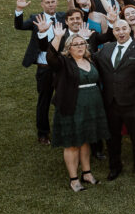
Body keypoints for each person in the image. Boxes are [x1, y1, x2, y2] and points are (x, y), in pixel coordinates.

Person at [37, 20, 110, 191]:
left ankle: (87, 173)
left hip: (92, 106)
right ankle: (74, 178)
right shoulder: (63, 62)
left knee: (85, 141)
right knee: (72, 143)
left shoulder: (90, 60)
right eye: (75, 44)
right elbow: (51, 57)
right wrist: (57, 37)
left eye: (82, 44)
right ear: (68, 48)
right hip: (72, 106)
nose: (79, 47)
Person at [92, 18, 135, 180]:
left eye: (124, 29)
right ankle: (115, 166)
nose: (121, 32)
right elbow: (90, 58)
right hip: (111, 102)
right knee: (112, 138)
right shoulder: (106, 49)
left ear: (129, 29)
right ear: (113, 32)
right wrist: (86, 39)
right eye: (117, 29)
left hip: (134, 102)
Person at [14, 0, 67, 145]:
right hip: (44, 68)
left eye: (53, 1)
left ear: (56, 2)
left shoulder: (63, 18)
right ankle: (43, 133)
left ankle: (64, 129)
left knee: (64, 98)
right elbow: (19, 26)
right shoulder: (36, 19)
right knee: (44, 100)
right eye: (47, 2)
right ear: (42, 4)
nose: (51, 4)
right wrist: (19, 9)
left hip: (61, 66)